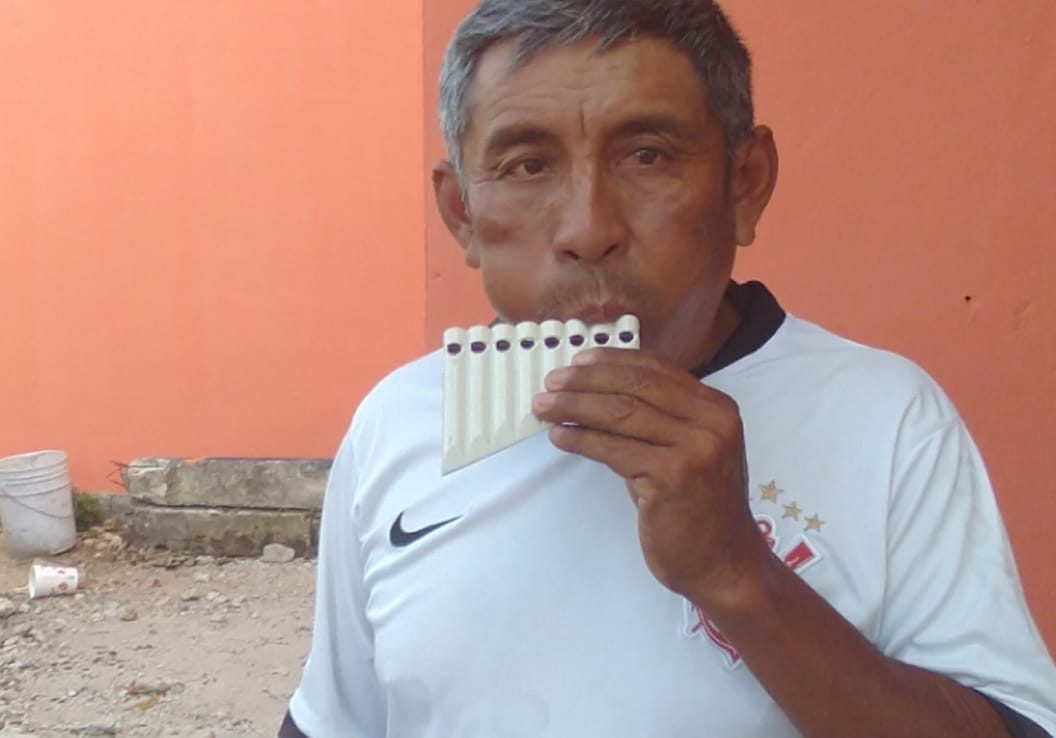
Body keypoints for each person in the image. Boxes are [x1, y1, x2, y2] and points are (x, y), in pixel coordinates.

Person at [279, 1, 1056, 736]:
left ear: (744, 185)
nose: (589, 228)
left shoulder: (886, 419)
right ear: (462, 214)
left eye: (647, 156)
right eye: (526, 165)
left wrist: (737, 575)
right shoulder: (400, 421)